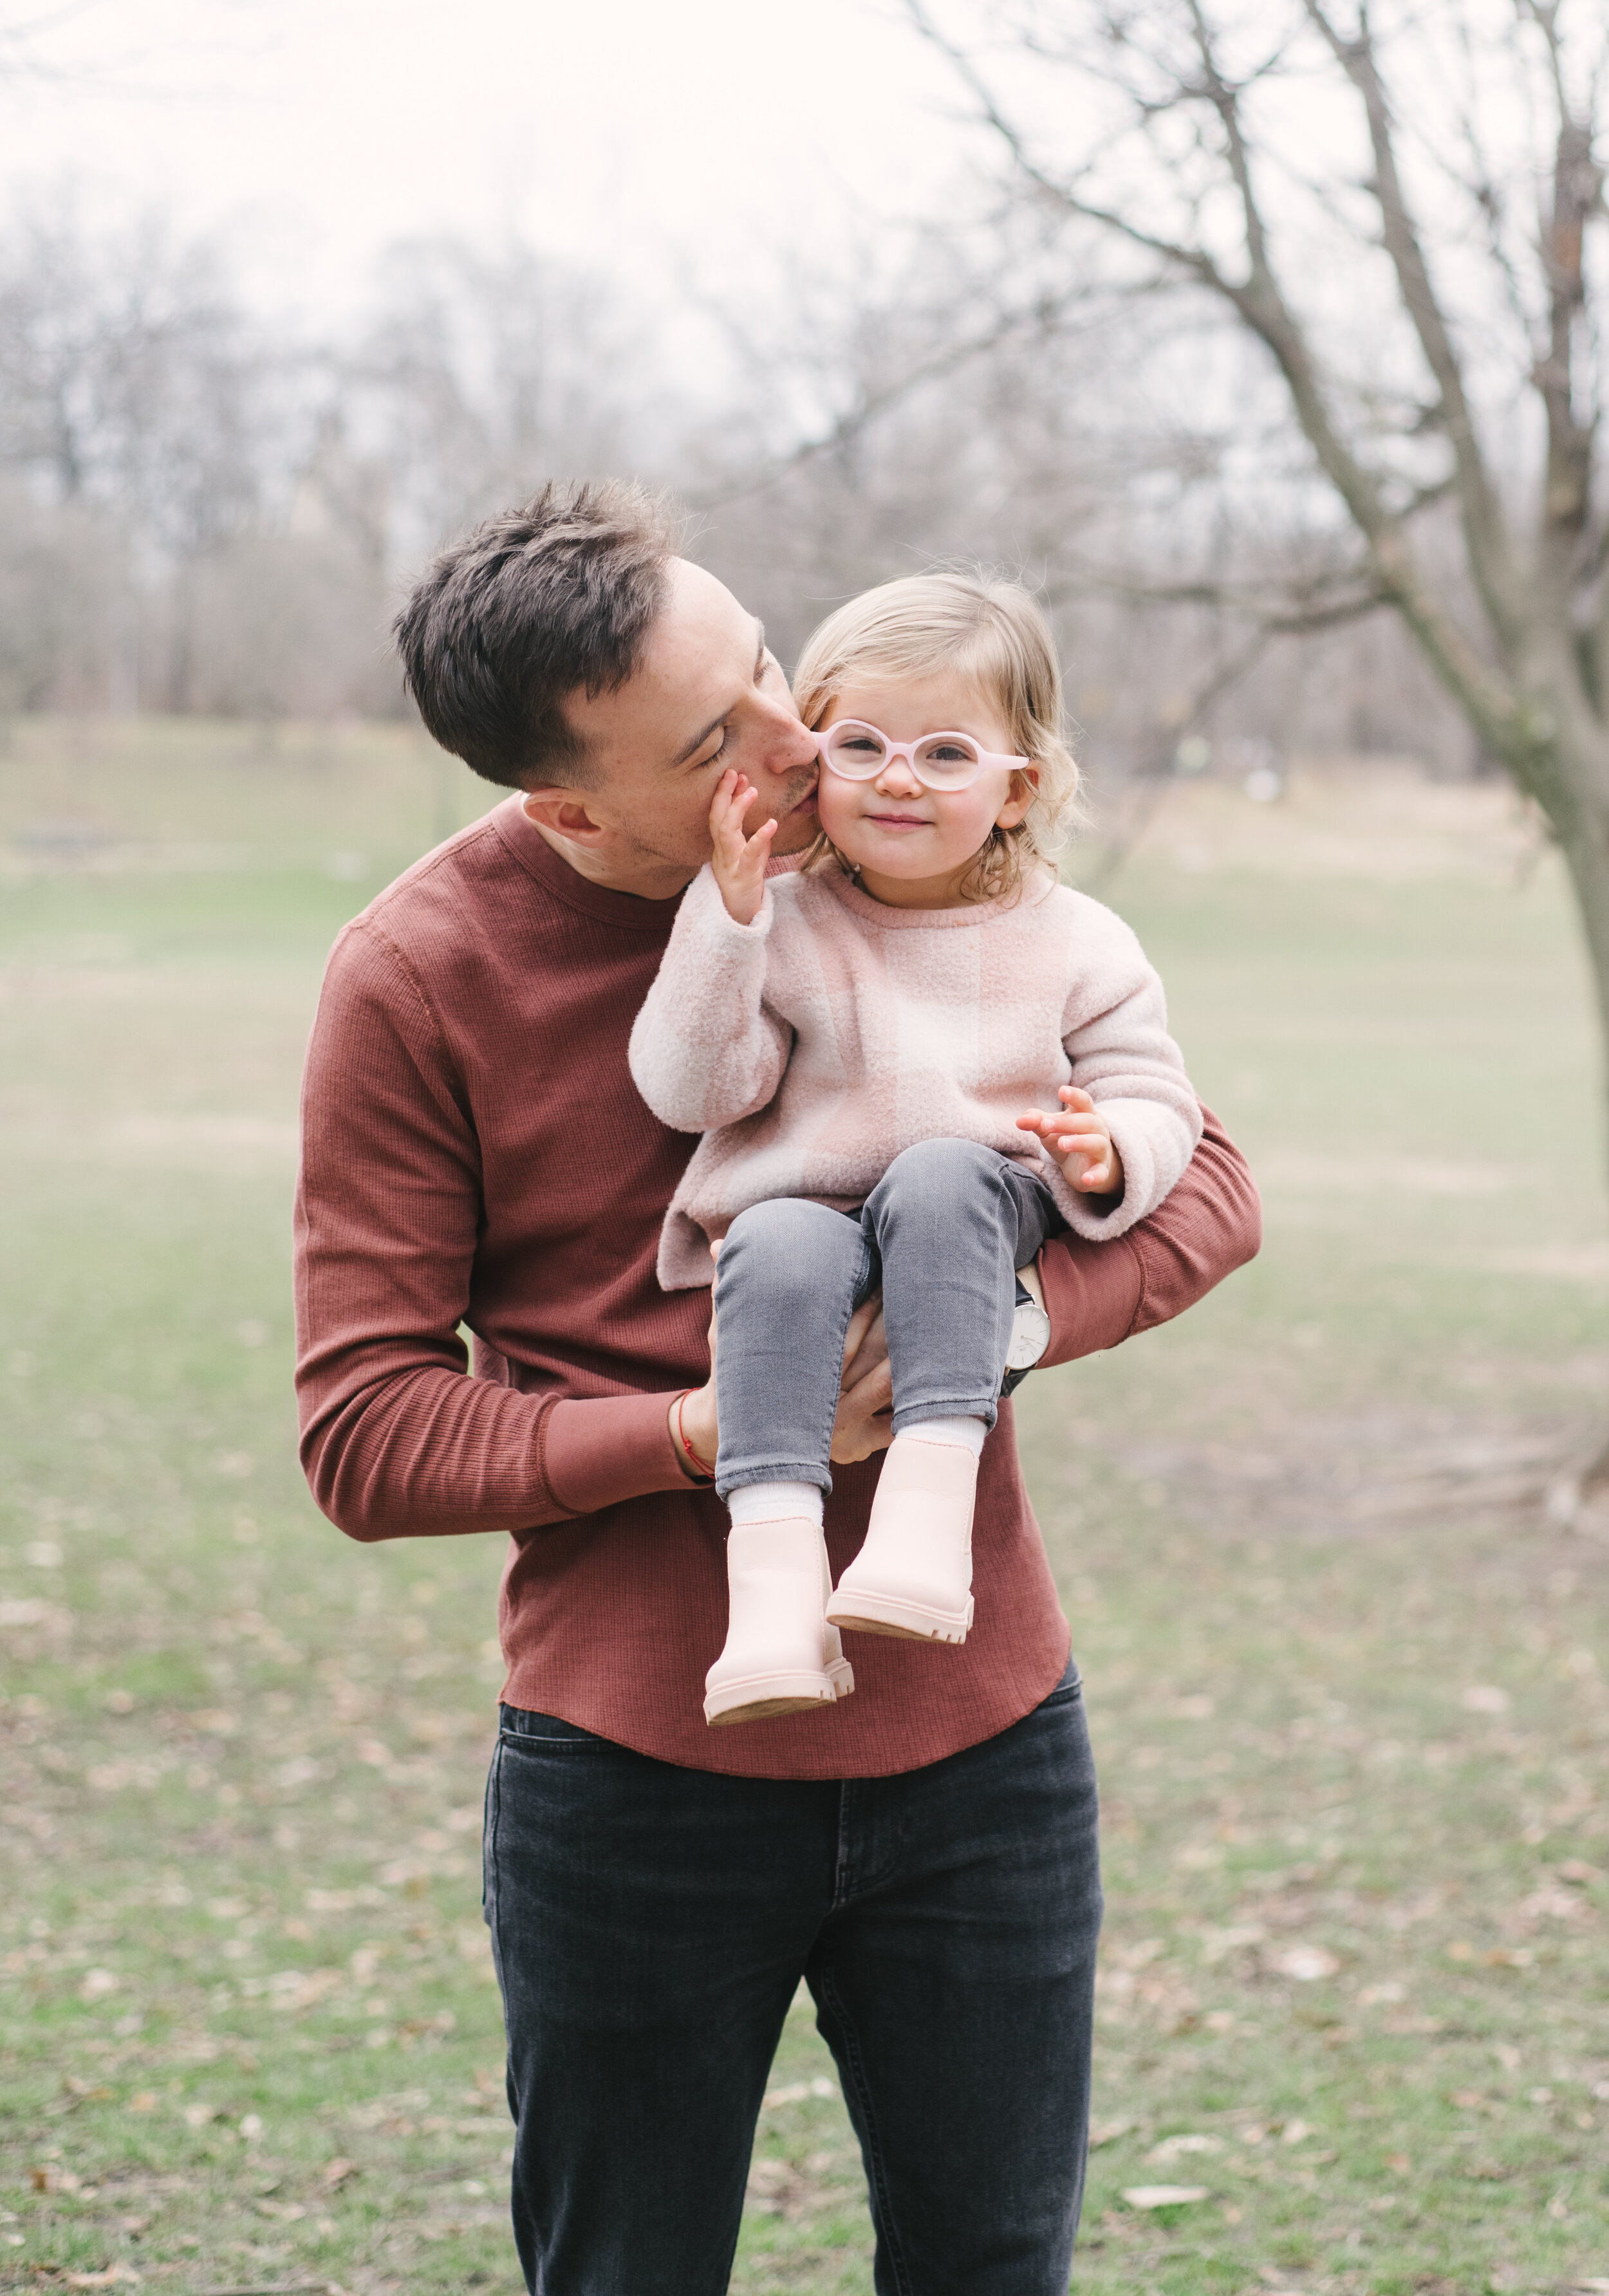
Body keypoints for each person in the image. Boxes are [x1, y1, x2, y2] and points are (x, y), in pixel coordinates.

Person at [293, 481, 1261, 2296]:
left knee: (991, 2263)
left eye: (761, 664)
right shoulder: (419, 977)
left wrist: (1005, 1330)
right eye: (711, 734)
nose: (794, 738)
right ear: (566, 801)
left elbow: (1204, 1181)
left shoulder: (918, 847)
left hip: (980, 1737)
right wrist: (707, 1432)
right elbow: (363, 1431)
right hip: (636, 1768)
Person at [628, 574, 1203, 1728]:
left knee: (941, 1171)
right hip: (807, 1233)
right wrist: (727, 914)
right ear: (816, 759)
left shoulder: (1074, 936)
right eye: (863, 744)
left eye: (946, 754)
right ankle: (777, 1597)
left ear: (1015, 787)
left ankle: (924, 1522)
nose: (899, 776)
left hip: (975, 1204)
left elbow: (1157, 1091)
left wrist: (1109, 1148)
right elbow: (695, 1092)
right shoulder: (782, 917)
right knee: (777, 1236)